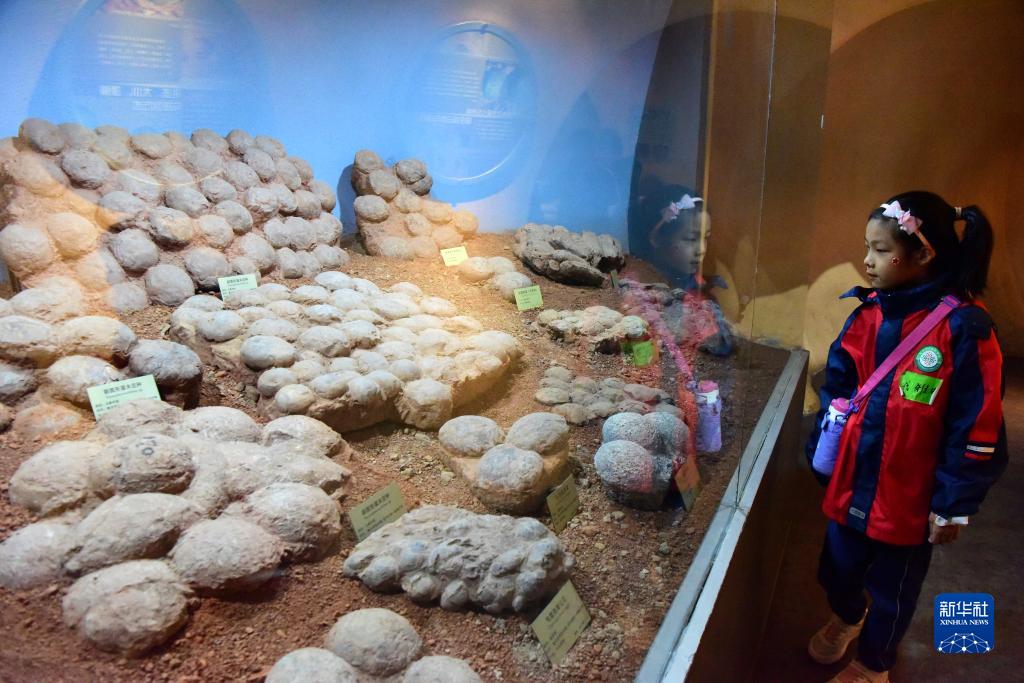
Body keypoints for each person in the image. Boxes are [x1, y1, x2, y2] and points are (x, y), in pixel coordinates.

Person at [804, 191, 1007, 682]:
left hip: (909, 499)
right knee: (836, 570)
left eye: (880, 249)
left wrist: (953, 504)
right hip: (853, 480)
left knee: (893, 592)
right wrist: (822, 447)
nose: (867, 261)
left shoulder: (964, 328)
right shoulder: (867, 314)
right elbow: (838, 385)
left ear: (922, 253)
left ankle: (874, 664)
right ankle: (849, 616)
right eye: (867, 247)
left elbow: (977, 427)